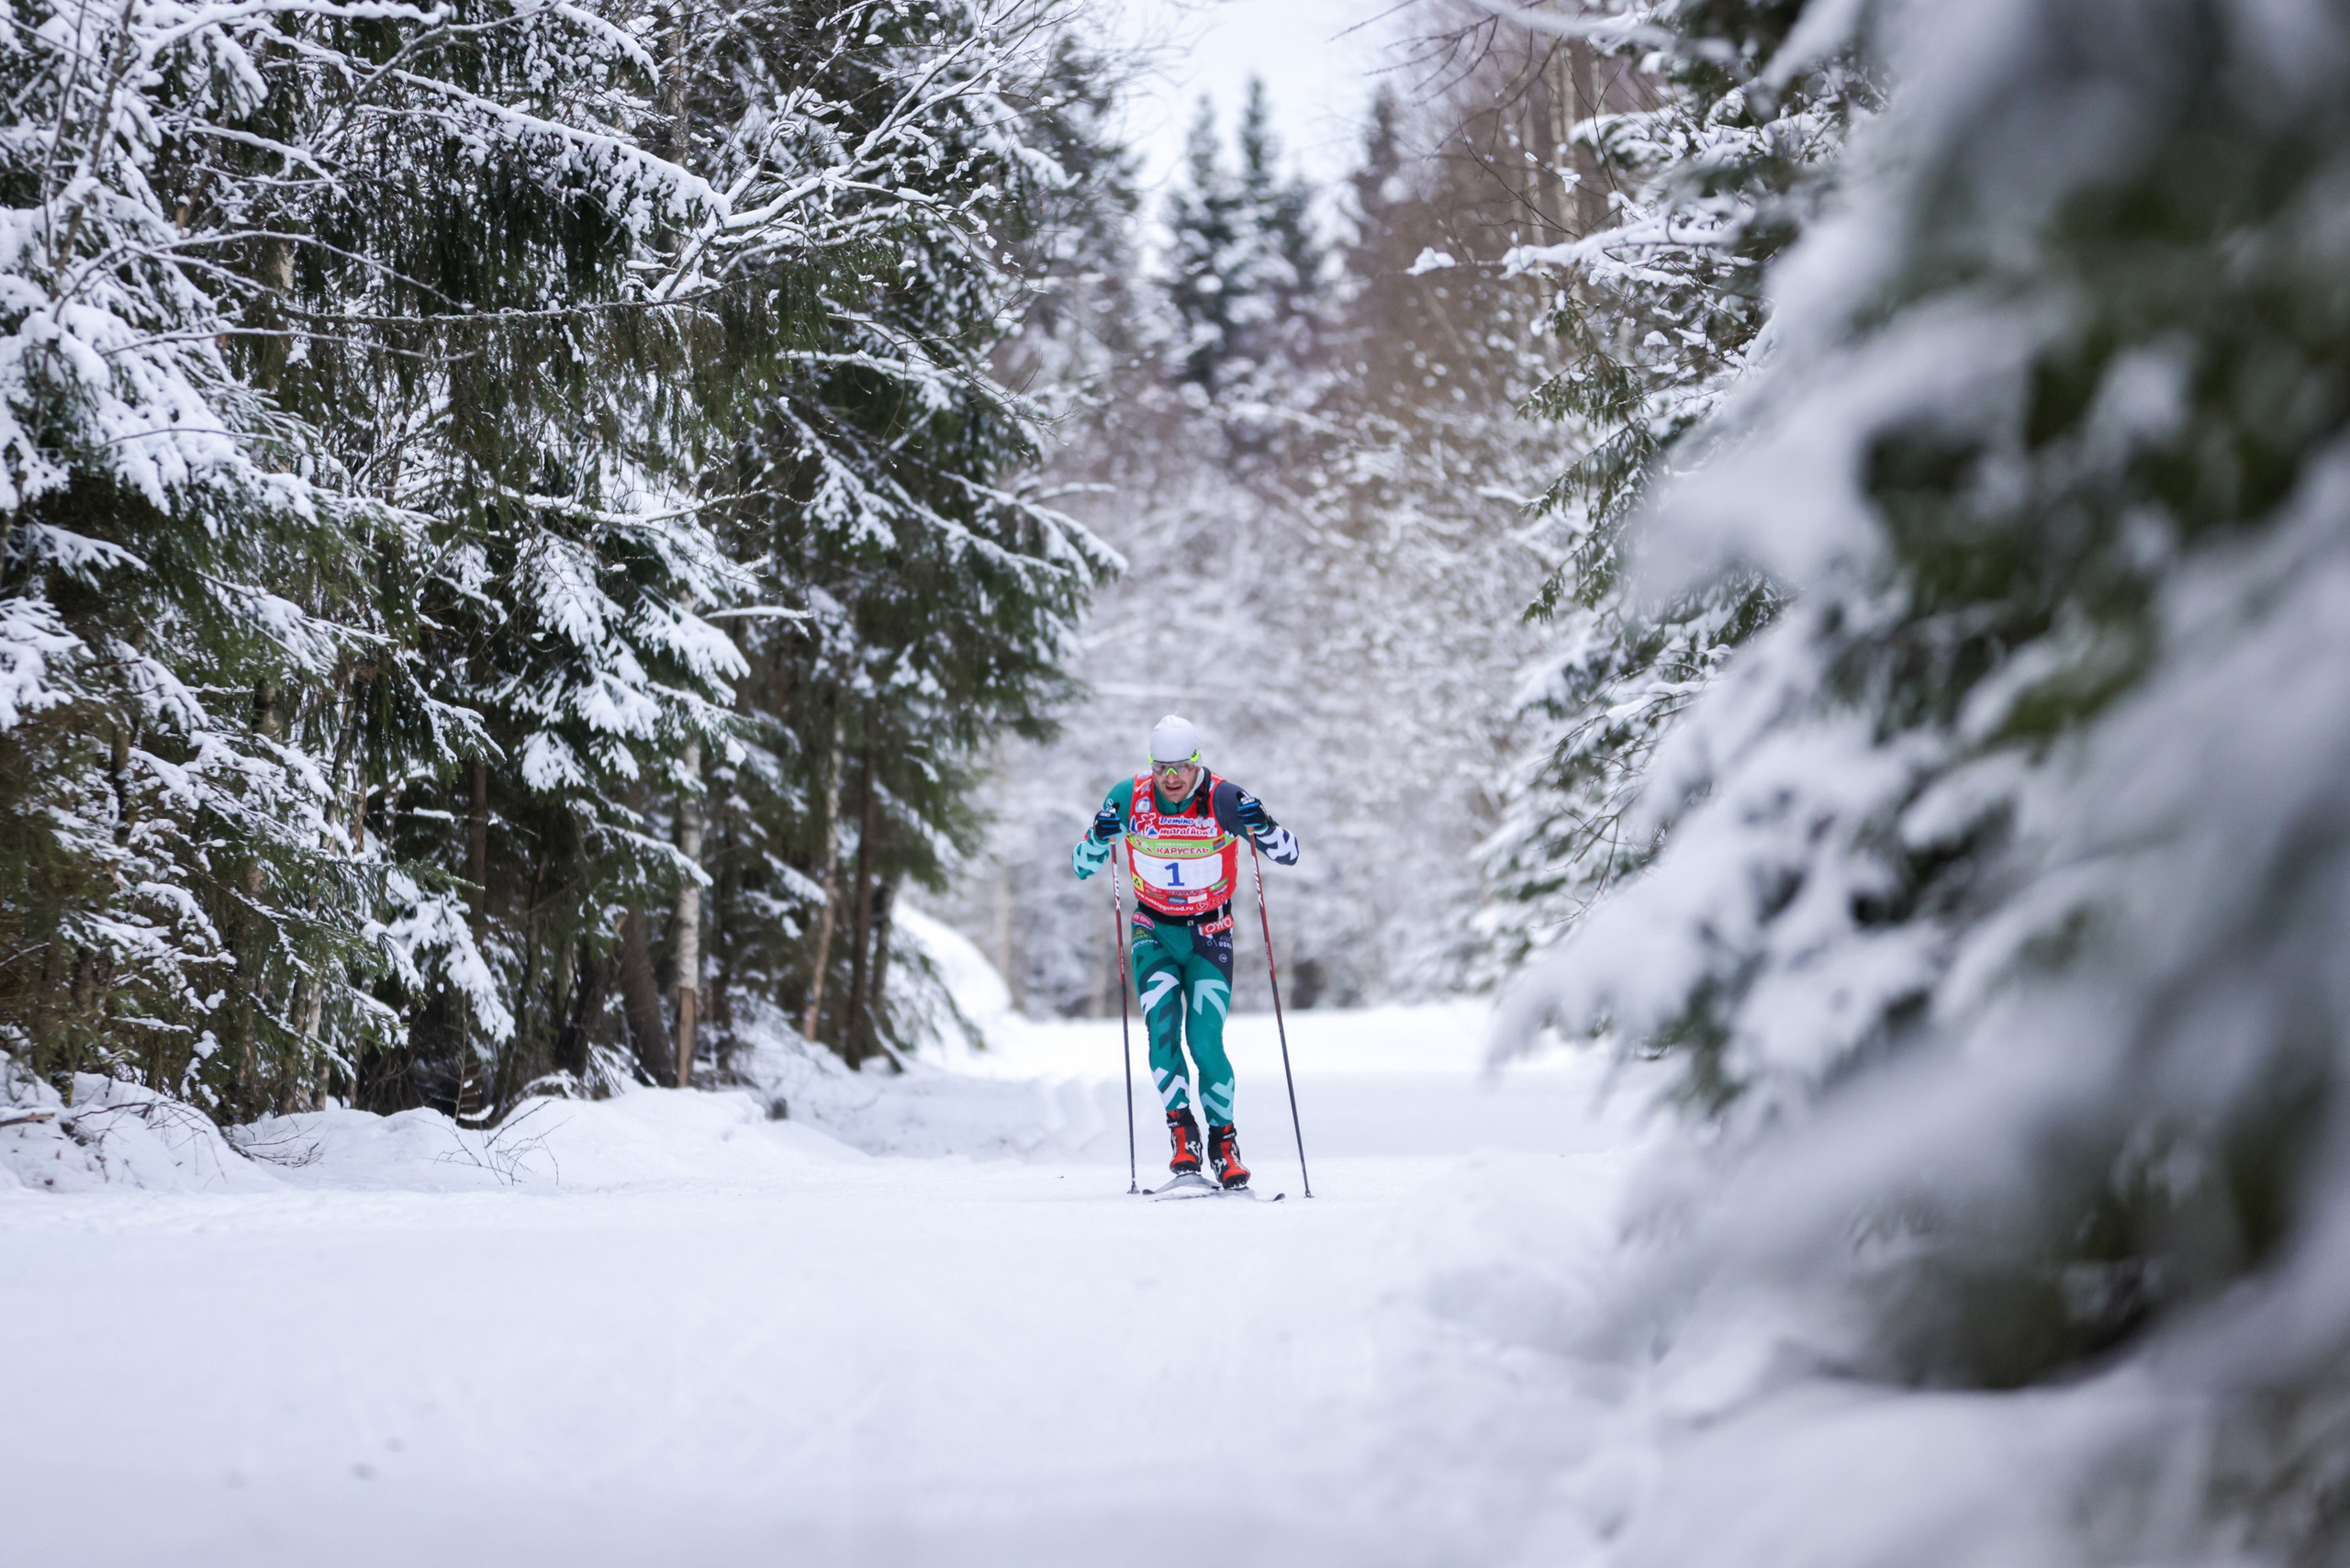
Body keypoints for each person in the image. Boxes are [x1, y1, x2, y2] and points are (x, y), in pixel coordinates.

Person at [1070, 714, 1299, 1188]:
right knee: (1161, 1033)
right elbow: (1081, 866)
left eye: (1181, 768)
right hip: (1153, 931)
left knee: (1205, 1040)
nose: (1171, 779)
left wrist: (1265, 826)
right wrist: (1097, 835)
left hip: (1210, 936)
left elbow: (1290, 852)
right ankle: (1182, 1133)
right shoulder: (1128, 798)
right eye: (1161, 769)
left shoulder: (1225, 799)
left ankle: (1224, 1141)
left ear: (1198, 764)